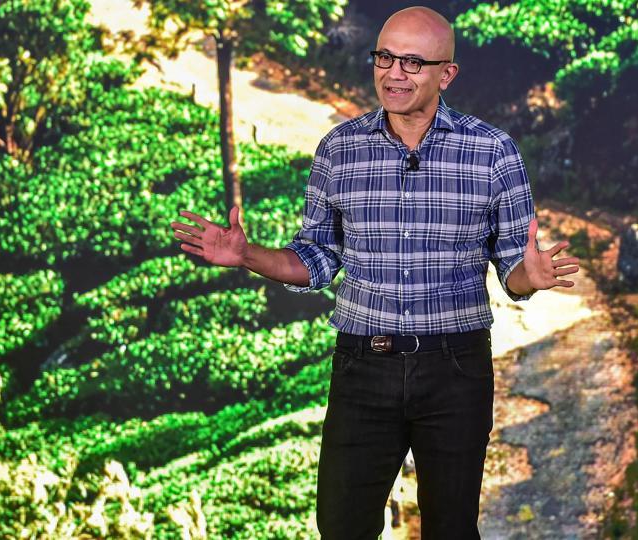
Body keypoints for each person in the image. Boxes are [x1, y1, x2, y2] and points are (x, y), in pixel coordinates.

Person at [170, 6, 580, 539]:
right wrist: (248, 255)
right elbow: (315, 260)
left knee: (452, 529)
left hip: (455, 369)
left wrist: (532, 273)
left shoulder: (492, 151)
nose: (394, 73)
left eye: (413, 62)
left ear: (445, 74)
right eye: (385, 57)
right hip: (363, 366)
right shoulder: (339, 150)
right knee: (341, 527)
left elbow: (512, 269)